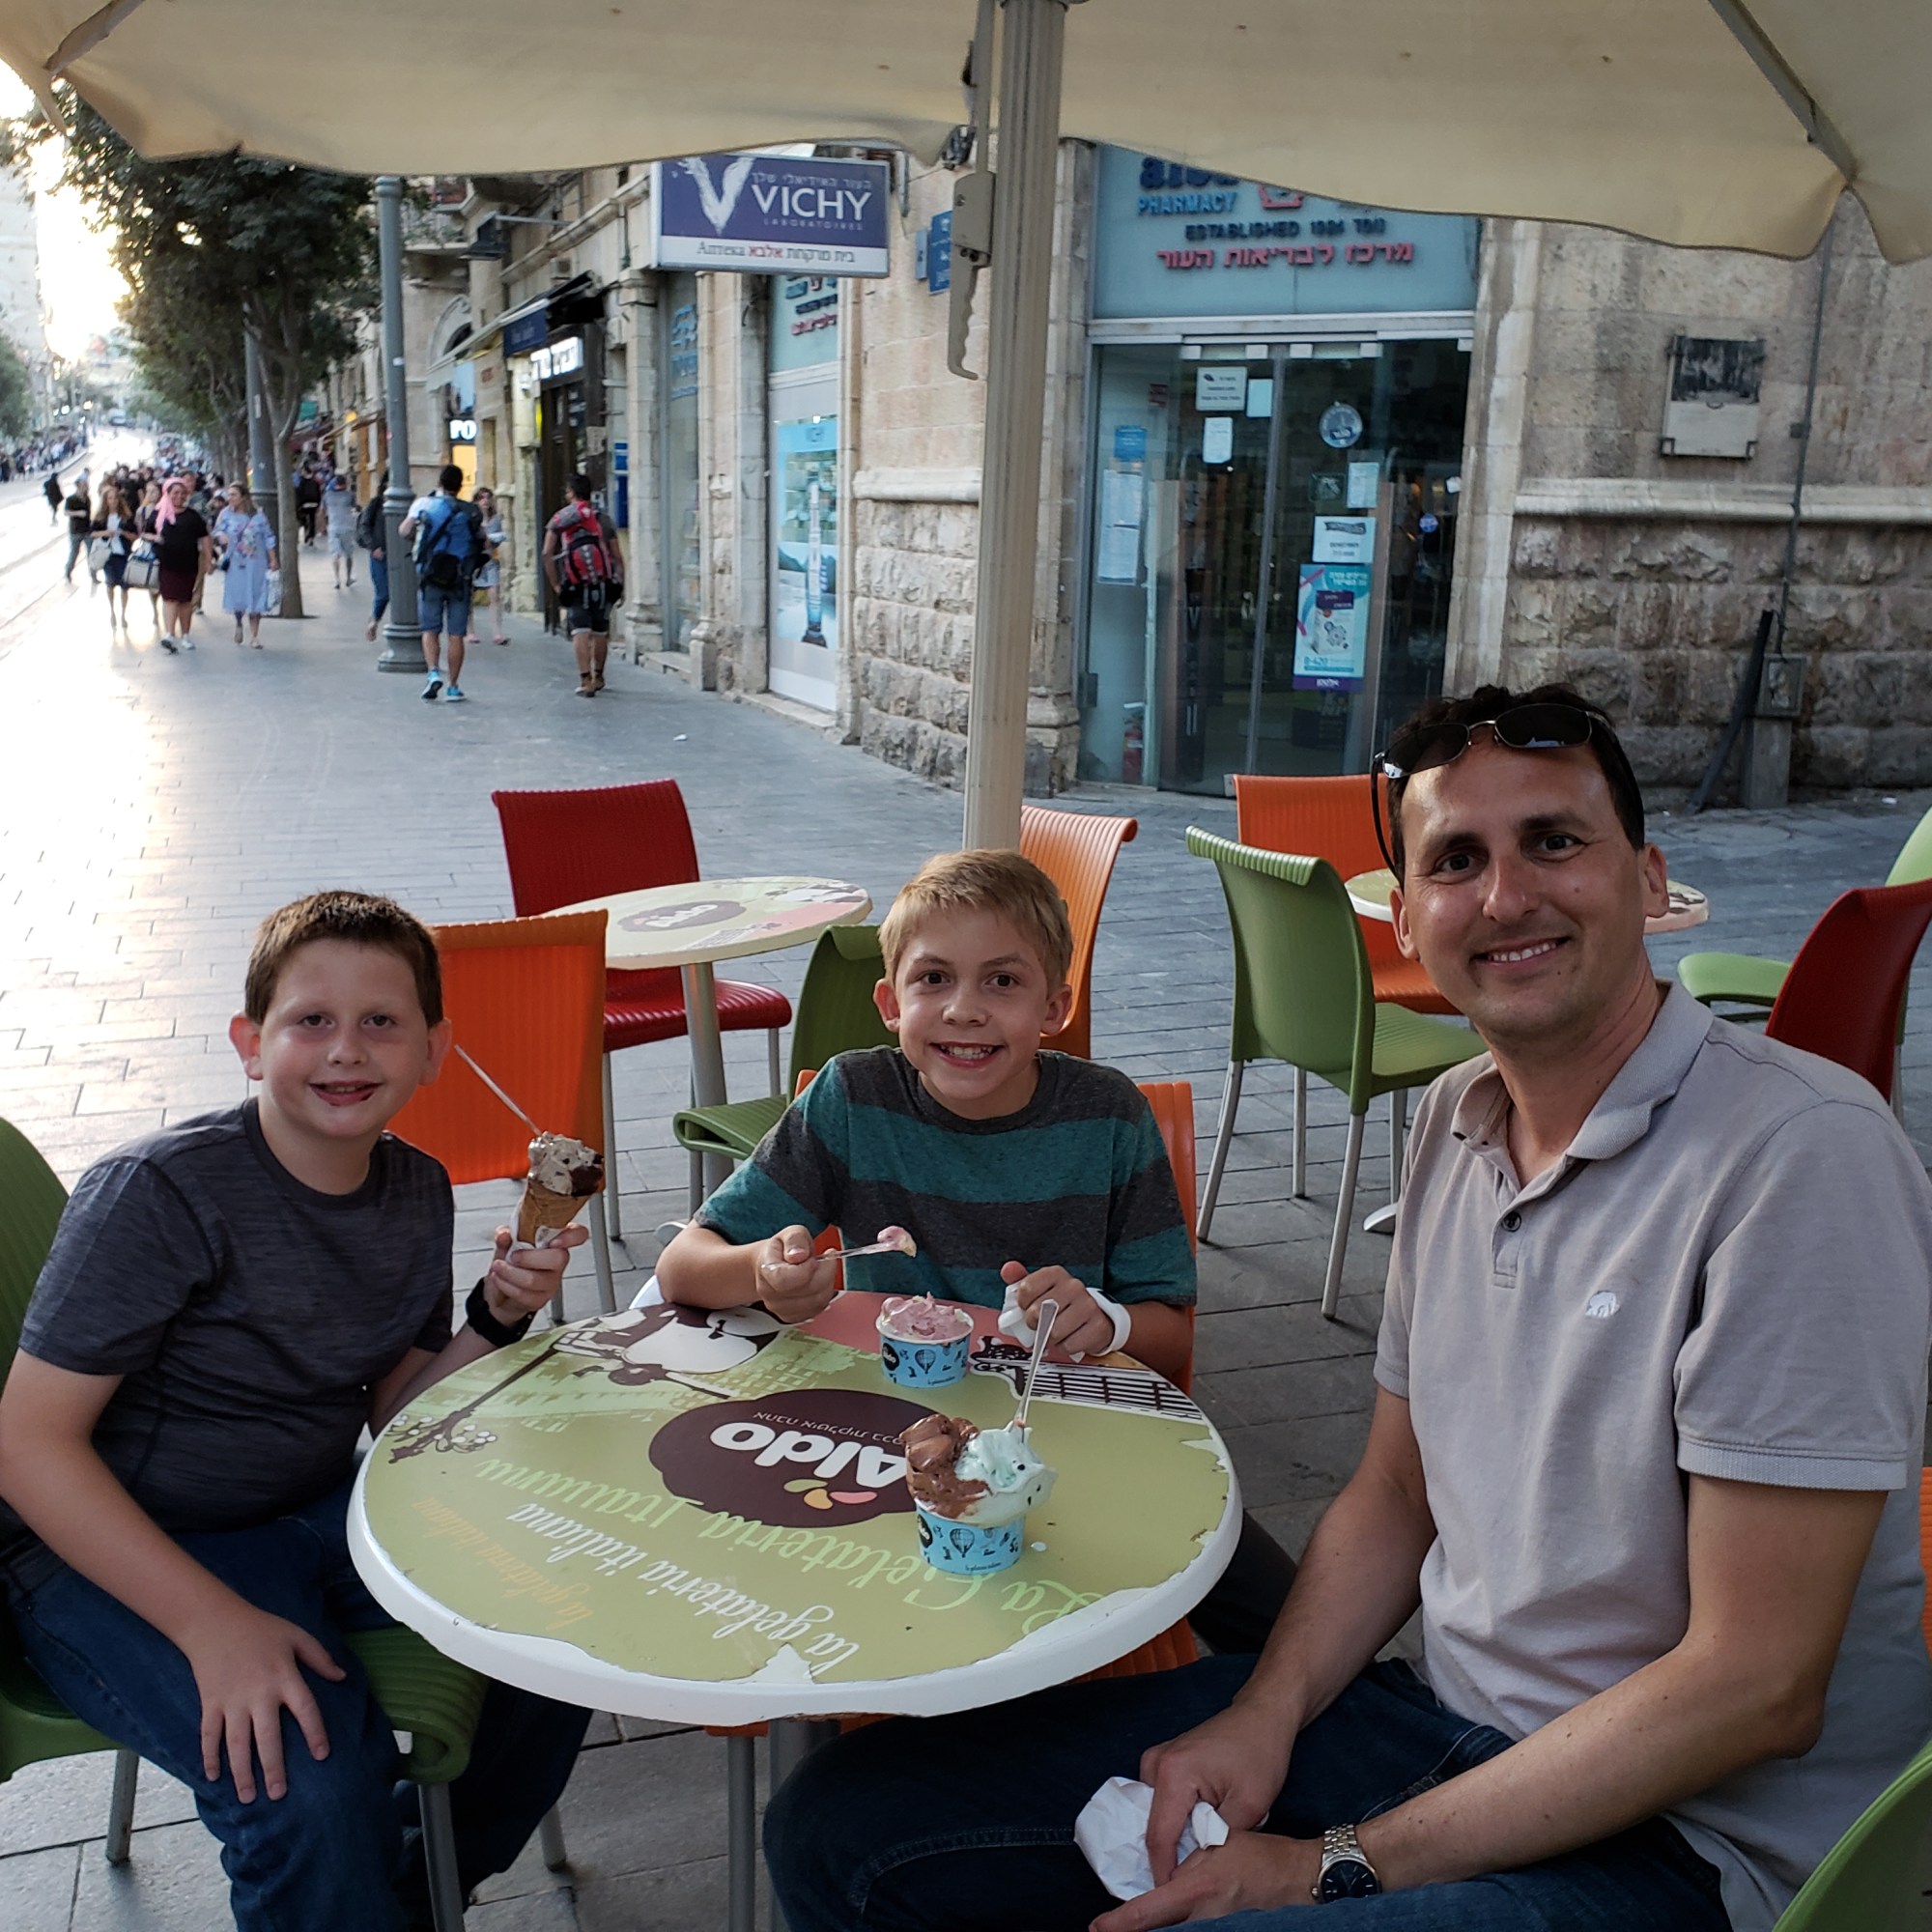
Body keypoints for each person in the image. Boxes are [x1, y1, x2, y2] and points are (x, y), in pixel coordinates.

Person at [765, 684, 1932, 1932]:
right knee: (842, 1827)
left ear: (1648, 881)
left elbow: (1755, 1685)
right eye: (1457, 861)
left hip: (1686, 1849)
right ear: (1411, 914)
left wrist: (1337, 1861)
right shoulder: (1452, 1121)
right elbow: (1393, 1491)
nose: (1505, 896)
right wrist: (1261, 1718)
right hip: (1444, 1729)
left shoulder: (1801, 1157)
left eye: (1554, 841)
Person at [0, 891, 592, 1932]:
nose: (345, 1049)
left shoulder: (414, 1187)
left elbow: (395, 1413)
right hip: (117, 1540)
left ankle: (383, 1900)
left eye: (382, 1020)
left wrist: (496, 1314)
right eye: (310, 1018)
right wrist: (211, 1623)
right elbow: (26, 1443)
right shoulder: (161, 1192)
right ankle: (343, 1886)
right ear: (249, 1041)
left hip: (315, 1509)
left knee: (558, 1638)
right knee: (308, 1774)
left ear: (433, 1049)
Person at [658, 849, 1197, 1382]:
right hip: (884, 1407)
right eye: (934, 978)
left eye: (1002, 981)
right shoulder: (854, 1101)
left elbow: (1172, 1339)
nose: (964, 1010)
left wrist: (1106, 1323)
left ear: (1052, 1009)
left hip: (1049, 1414)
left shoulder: (1108, 1118)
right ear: (891, 1004)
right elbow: (681, 1269)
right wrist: (760, 1272)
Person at [400, 465, 484, 702]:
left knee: (430, 629)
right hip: (459, 578)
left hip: (431, 575)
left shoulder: (425, 505)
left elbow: (403, 530)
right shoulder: (471, 511)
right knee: (456, 634)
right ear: (460, 486)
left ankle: (433, 672)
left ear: (440, 483)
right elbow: (483, 541)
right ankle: (454, 686)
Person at [541, 472, 623, 697]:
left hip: (575, 583)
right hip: (603, 582)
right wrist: (620, 583)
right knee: (600, 631)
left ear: (571, 493)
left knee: (580, 631)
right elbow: (616, 555)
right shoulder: (602, 519)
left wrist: (556, 584)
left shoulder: (560, 518)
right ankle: (599, 676)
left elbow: (547, 552)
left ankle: (585, 680)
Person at [214, 482, 279, 647]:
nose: (230, 498)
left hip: (256, 562)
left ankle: (255, 636)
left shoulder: (258, 515)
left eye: (234, 495)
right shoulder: (225, 514)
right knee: (238, 595)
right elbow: (216, 532)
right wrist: (221, 536)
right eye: (228, 495)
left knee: (255, 594)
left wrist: (273, 559)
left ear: (243, 497)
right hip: (235, 561)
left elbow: (268, 537)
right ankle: (238, 623)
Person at [152, 475, 210, 654]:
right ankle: (170, 633)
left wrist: (208, 560)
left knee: (185, 600)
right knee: (169, 599)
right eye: (175, 492)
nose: (179, 496)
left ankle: (185, 635)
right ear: (167, 493)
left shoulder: (192, 516)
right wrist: (154, 538)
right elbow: (145, 533)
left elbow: (205, 536)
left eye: (182, 493)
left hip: (188, 564)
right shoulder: (158, 514)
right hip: (167, 564)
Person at [465, 485, 509, 650]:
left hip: (489, 561)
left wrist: (493, 539)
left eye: (488, 497)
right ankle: (470, 632)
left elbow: (497, 539)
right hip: (474, 561)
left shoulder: (495, 519)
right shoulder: (471, 517)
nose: (485, 501)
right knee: (469, 597)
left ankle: (497, 633)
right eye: (481, 497)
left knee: (494, 595)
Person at [91, 480, 132, 632]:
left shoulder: (126, 516)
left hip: (123, 554)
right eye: (110, 498)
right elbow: (93, 533)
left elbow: (135, 535)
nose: (113, 501)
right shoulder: (101, 518)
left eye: (115, 498)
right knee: (110, 583)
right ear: (105, 500)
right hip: (108, 555)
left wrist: (125, 534)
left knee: (124, 586)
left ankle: (123, 613)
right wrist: (106, 533)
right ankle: (112, 612)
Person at [359, 473, 389, 643]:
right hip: (379, 555)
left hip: (400, 557)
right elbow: (364, 527)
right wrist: (372, 547)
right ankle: (374, 620)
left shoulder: (408, 504)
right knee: (383, 592)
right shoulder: (376, 504)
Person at [133, 478, 164, 632]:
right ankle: (155, 611)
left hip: (165, 548)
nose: (152, 494)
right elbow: (141, 533)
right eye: (149, 491)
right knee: (152, 582)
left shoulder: (165, 508)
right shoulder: (142, 511)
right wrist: (152, 537)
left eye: (155, 491)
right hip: (150, 549)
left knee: (164, 582)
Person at [322, 473, 357, 589]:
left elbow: (322, 511)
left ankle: (337, 580)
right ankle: (348, 578)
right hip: (347, 527)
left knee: (335, 554)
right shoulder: (349, 495)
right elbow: (355, 507)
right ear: (345, 484)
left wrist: (323, 525)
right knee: (348, 554)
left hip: (333, 527)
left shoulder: (327, 495)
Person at [63, 471, 95, 586]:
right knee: (74, 553)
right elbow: (66, 512)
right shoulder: (71, 499)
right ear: (78, 486)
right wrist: (78, 513)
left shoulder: (87, 499)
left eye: (86, 485)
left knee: (91, 553)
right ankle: (68, 572)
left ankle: (93, 575)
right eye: (83, 485)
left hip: (87, 530)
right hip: (75, 531)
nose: (85, 487)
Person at [295, 465, 322, 546]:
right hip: (314, 504)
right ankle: (311, 537)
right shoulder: (315, 481)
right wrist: (318, 504)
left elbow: (299, 494)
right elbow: (318, 494)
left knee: (303, 520)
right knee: (312, 520)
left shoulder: (302, 481)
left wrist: (298, 505)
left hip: (304, 504)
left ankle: (306, 533)